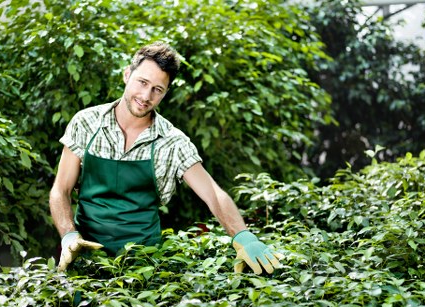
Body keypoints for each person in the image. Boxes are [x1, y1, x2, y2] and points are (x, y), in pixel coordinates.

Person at [49, 41, 282, 275]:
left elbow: (213, 194)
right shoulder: (87, 123)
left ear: (165, 93)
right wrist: (68, 235)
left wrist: (243, 236)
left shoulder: (172, 142)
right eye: (142, 82)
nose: (146, 96)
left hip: (142, 267)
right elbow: (61, 190)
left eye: (157, 90)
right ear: (127, 74)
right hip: (85, 258)